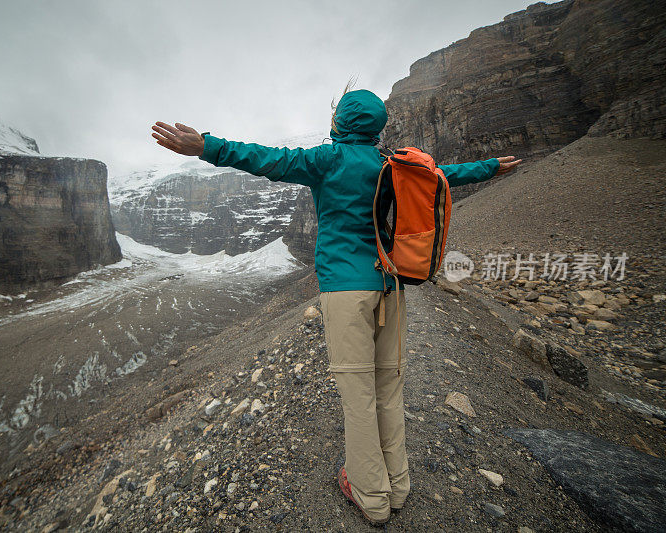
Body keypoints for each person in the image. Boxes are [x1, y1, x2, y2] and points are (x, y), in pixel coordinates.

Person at [151, 88, 521, 525]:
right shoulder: (393, 165)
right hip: (391, 286)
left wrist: (206, 147)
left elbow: (266, 158)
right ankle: (397, 485)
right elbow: (445, 174)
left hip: (346, 291)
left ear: (340, 123)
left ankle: (370, 496)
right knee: (388, 388)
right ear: (375, 127)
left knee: (358, 395)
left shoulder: (326, 161)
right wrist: (491, 167)